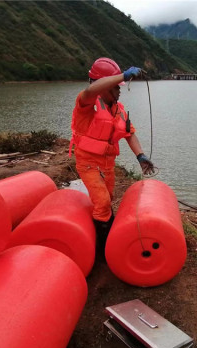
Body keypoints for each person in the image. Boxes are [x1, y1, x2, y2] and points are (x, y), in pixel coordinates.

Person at [70, 57, 155, 252]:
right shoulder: (87, 104)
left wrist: (141, 156)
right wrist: (122, 75)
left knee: (108, 199)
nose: (119, 90)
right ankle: (102, 252)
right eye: (117, 86)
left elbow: (129, 133)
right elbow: (92, 90)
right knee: (102, 201)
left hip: (107, 164)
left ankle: (108, 235)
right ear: (104, 86)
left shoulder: (119, 110)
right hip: (88, 163)